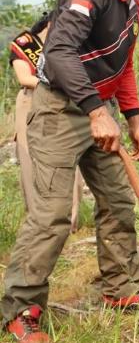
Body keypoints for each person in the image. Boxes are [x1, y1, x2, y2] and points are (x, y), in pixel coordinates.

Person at [1, 0, 139, 343]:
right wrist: (97, 111)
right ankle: (20, 311)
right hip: (61, 109)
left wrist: (132, 118)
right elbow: (58, 52)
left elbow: (124, 66)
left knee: (117, 201)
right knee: (53, 215)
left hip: (102, 114)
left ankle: (121, 291)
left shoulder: (133, 9)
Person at [9, 13, 85, 234]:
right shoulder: (26, 43)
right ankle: (39, 223)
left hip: (65, 104)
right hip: (32, 102)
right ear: (53, 22)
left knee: (69, 159)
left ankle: (68, 222)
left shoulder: (69, 46)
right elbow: (24, 78)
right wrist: (61, 84)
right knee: (30, 161)